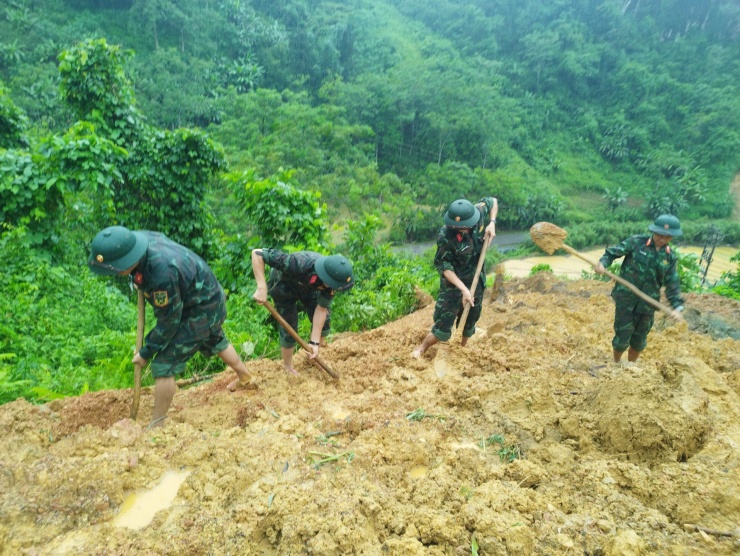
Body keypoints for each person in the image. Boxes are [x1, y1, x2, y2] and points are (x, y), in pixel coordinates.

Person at [88, 226, 255, 429]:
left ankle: (157, 424)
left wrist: (145, 352)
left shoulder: (161, 275)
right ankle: (246, 377)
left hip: (202, 307)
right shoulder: (138, 240)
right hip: (201, 297)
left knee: (164, 364)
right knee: (215, 339)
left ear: (126, 263)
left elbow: (169, 322)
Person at [412, 197, 498, 357]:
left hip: (476, 280)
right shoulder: (445, 235)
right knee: (442, 327)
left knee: (469, 322)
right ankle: (421, 348)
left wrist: (492, 222)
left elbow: (493, 201)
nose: (463, 230)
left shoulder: (477, 212)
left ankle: (461, 350)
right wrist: (464, 290)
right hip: (453, 285)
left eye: (465, 227)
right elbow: (445, 267)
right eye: (458, 228)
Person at [594, 214, 685, 364]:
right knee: (622, 337)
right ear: (654, 231)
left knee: (639, 340)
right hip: (626, 299)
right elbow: (612, 252)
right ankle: (617, 363)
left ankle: (631, 366)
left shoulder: (669, 257)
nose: (662, 239)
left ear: (672, 237)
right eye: (659, 235)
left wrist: (677, 307)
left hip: (648, 305)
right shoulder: (636, 242)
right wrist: (602, 263)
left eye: (667, 237)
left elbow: (672, 284)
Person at [251, 248, 354, 375]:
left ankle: (313, 356)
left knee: (325, 321)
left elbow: (321, 309)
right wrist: (261, 287)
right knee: (289, 325)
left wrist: (314, 342)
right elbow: (257, 253)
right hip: (283, 283)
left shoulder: (331, 284)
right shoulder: (297, 263)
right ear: (328, 278)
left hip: (311, 288)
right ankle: (288, 366)